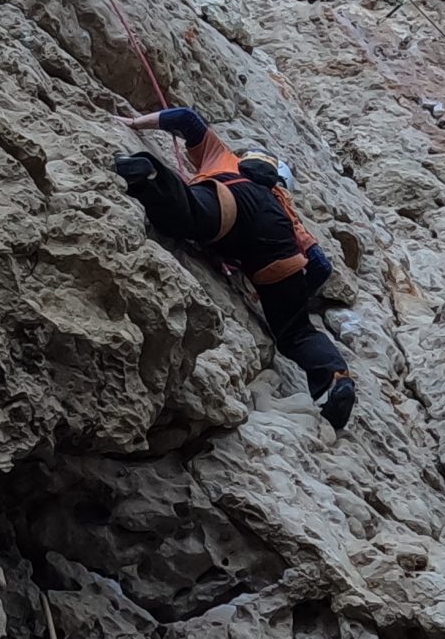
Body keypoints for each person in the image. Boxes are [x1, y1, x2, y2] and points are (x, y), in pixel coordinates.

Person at [115, 106, 357, 433]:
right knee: (297, 333)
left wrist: (133, 122)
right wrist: (283, 298)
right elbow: (320, 266)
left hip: (230, 199)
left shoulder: (226, 159)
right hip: (276, 246)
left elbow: (185, 119)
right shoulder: (284, 207)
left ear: (248, 158)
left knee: (191, 214)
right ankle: (336, 378)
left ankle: (150, 176)